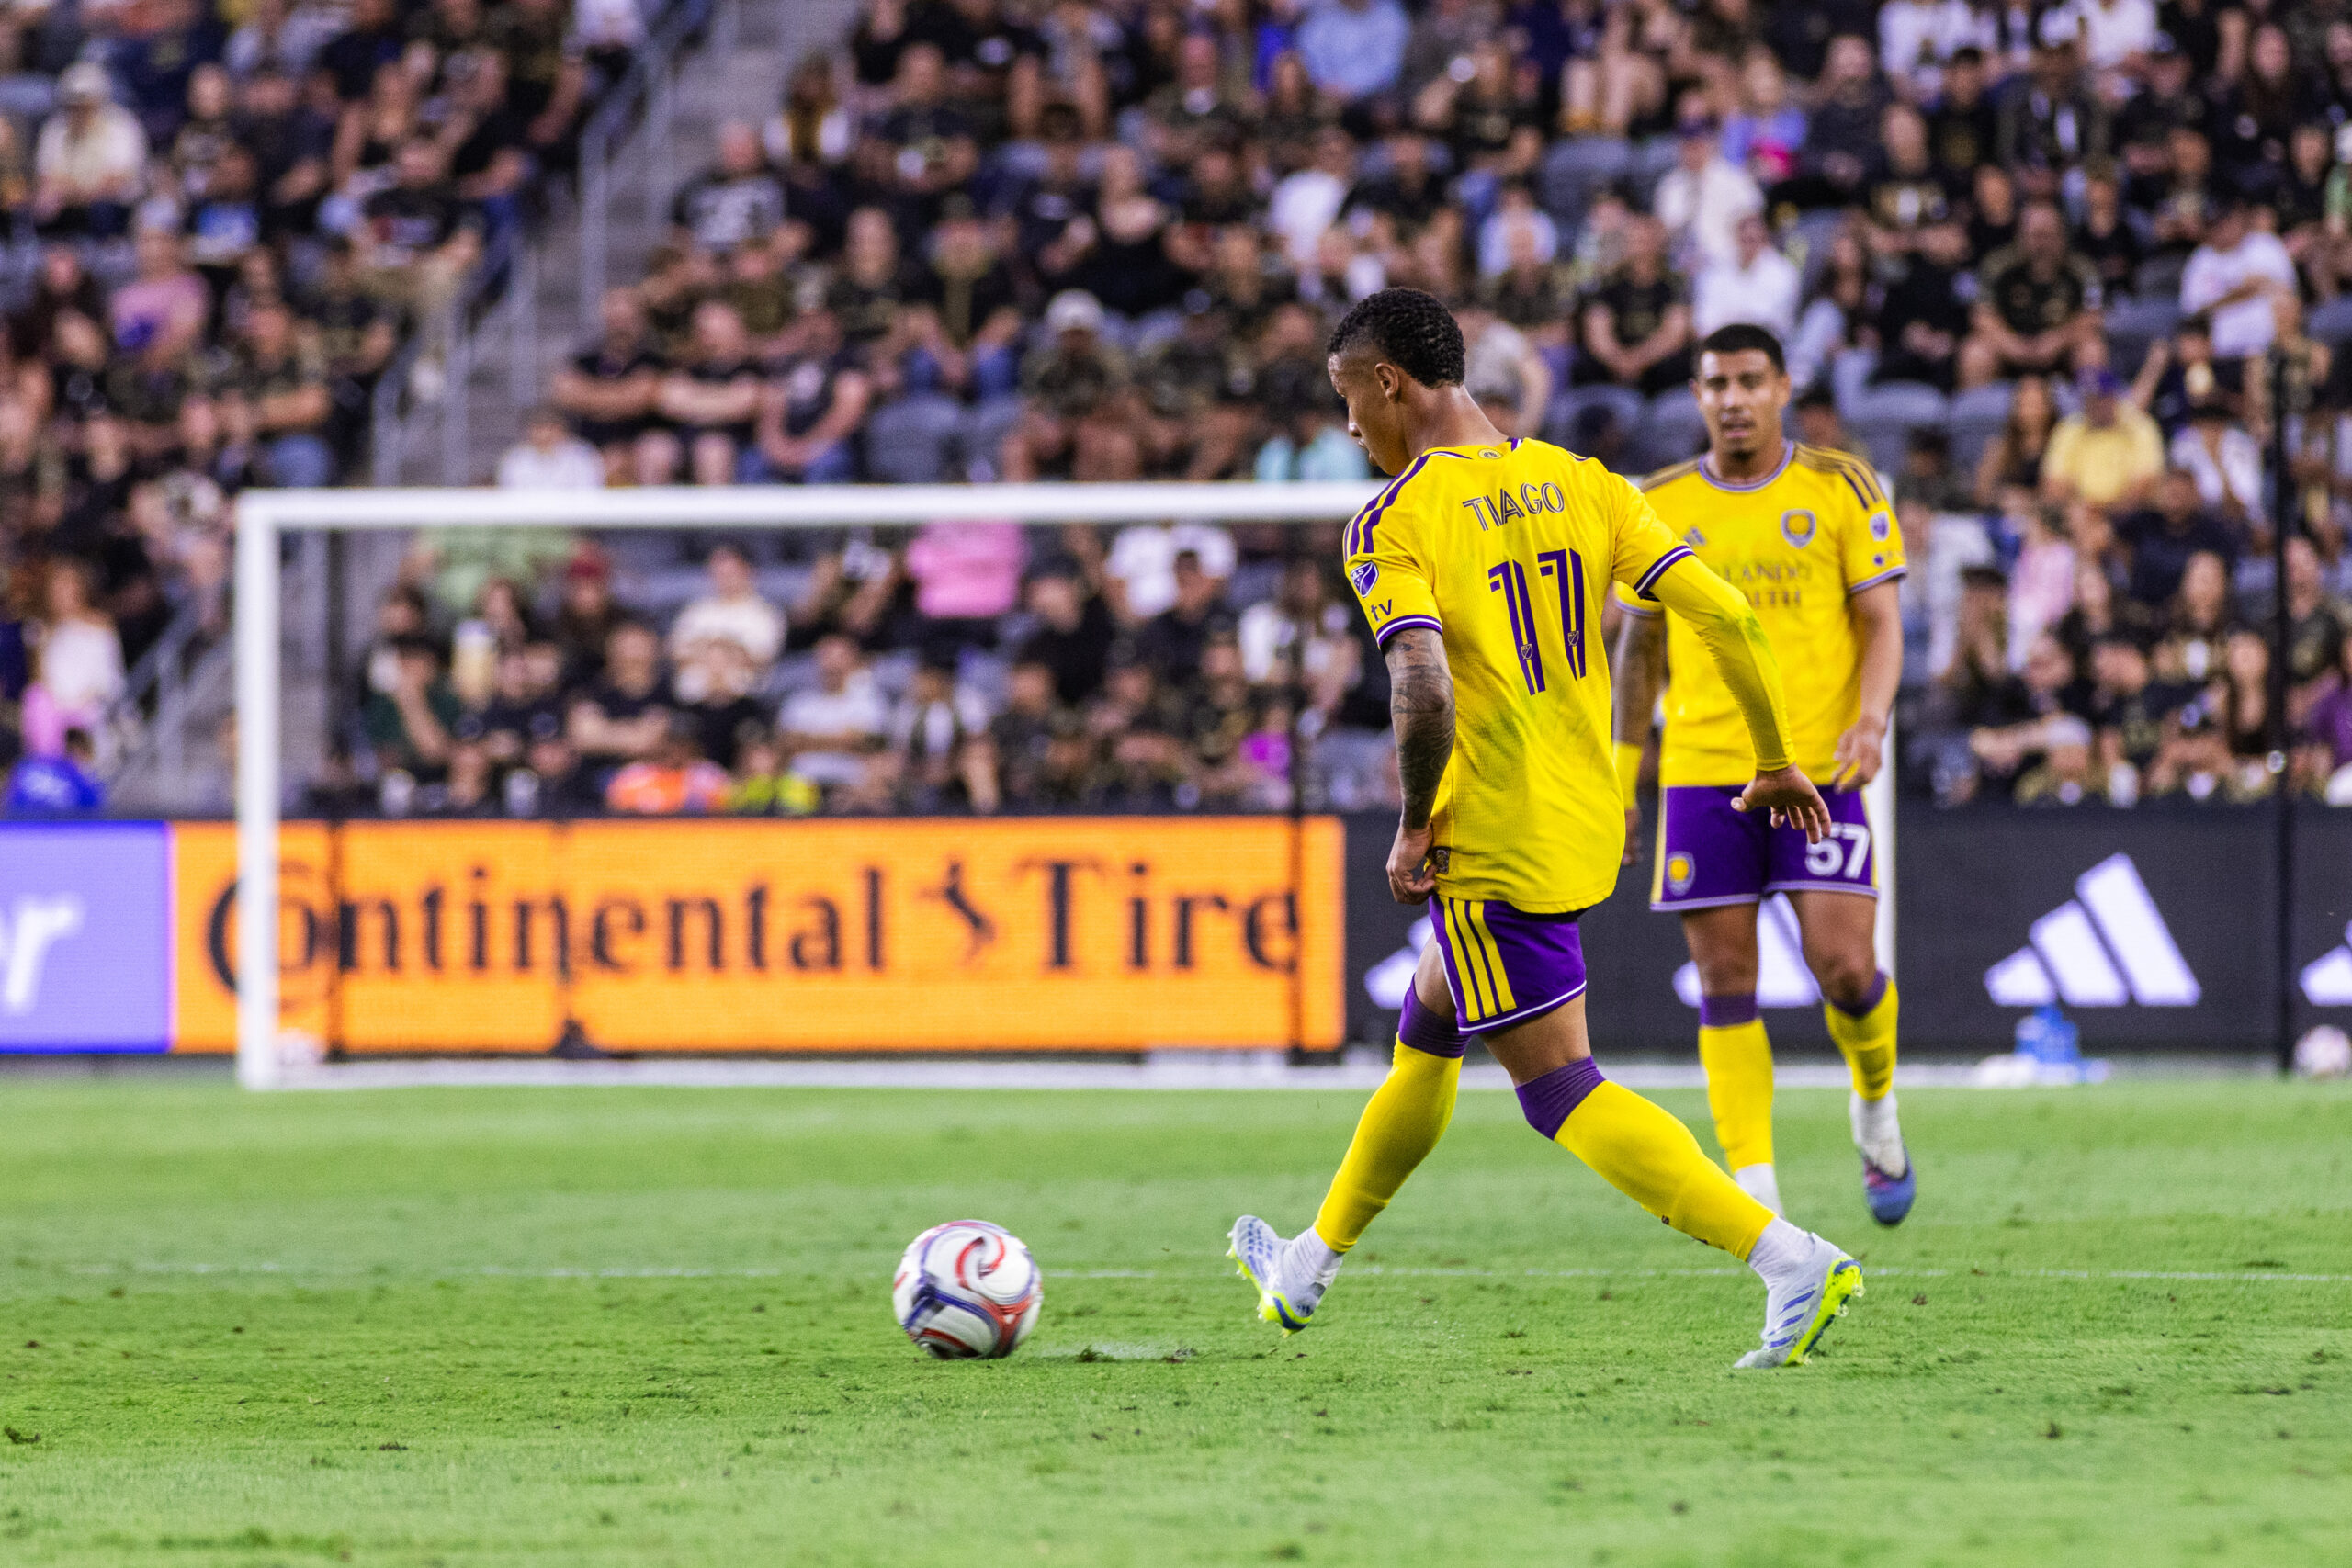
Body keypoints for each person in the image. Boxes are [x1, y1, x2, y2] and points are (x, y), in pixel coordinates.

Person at [1228, 289, 1860, 1371]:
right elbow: (1725, 613)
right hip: (1581, 813)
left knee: (1560, 1089)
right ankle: (1306, 1264)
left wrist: (1415, 826)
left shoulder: (1396, 517)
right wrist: (1771, 756)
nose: (1348, 430)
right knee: (1430, 1026)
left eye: (1348, 400)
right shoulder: (1583, 482)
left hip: (1489, 830)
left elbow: (1420, 681)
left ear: (1389, 383)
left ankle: (1787, 1259)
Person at [1611, 323, 1913, 1227]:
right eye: (1715, 384)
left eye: (1750, 380)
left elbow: (1881, 623)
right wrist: (1624, 775)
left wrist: (1870, 719)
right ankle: (1758, 1193)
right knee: (1724, 981)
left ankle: (1874, 1104)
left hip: (1820, 767)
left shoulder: (1838, 485)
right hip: (1703, 773)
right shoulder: (1658, 501)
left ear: (1783, 387)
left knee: (1844, 967)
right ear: (1696, 397)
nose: (1733, 398)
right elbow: (1639, 653)